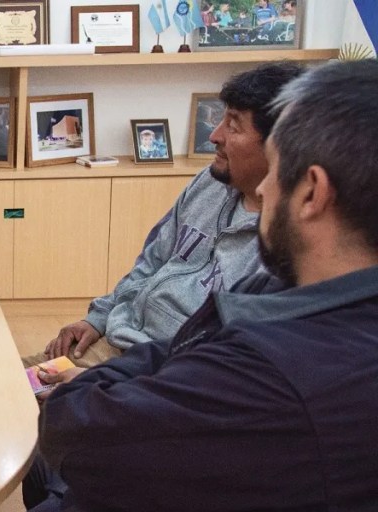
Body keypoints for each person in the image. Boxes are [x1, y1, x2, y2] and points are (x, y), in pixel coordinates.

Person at [29, 59, 378, 512]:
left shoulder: (269, 366)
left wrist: (103, 381)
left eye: (277, 168)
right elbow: (171, 312)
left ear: (312, 193)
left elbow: (76, 429)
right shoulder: (274, 295)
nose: (266, 189)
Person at [22, 63, 304, 369]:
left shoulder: (288, 245)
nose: (214, 135)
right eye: (221, 119)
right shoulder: (208, 183)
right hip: (116, 342)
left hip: (161, 374)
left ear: (279, 145)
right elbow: (151, 262)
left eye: (233, 126)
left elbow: (223, 366)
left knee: (8, 404)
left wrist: (102, 383)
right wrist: (98, 318)